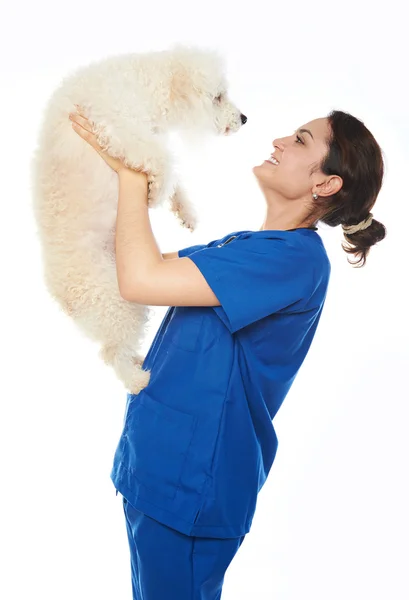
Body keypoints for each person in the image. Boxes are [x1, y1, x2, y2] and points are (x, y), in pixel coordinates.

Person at [70, 108, 387, 599]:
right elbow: (132, 262)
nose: (281, 140)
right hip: (155, 470)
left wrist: (133, 173)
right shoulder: (244, 246)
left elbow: (141, 280)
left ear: (325, 185)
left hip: (192, 486)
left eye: (302, 140)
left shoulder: (293, 261)